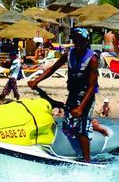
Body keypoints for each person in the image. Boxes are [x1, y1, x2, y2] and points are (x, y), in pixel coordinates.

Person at [28, 27, 99, 163]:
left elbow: (92, 87)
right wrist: (36, 80)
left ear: (86, 42)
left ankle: (87, 161)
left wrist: (80, 108)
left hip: (86, 97)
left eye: (81, 41)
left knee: (81, 128)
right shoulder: (69, 53)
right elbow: (52, 68)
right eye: (75, 40)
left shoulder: (92, 59)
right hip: (72, 95)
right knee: (67, 126)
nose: (78, 43)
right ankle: (70, 153)